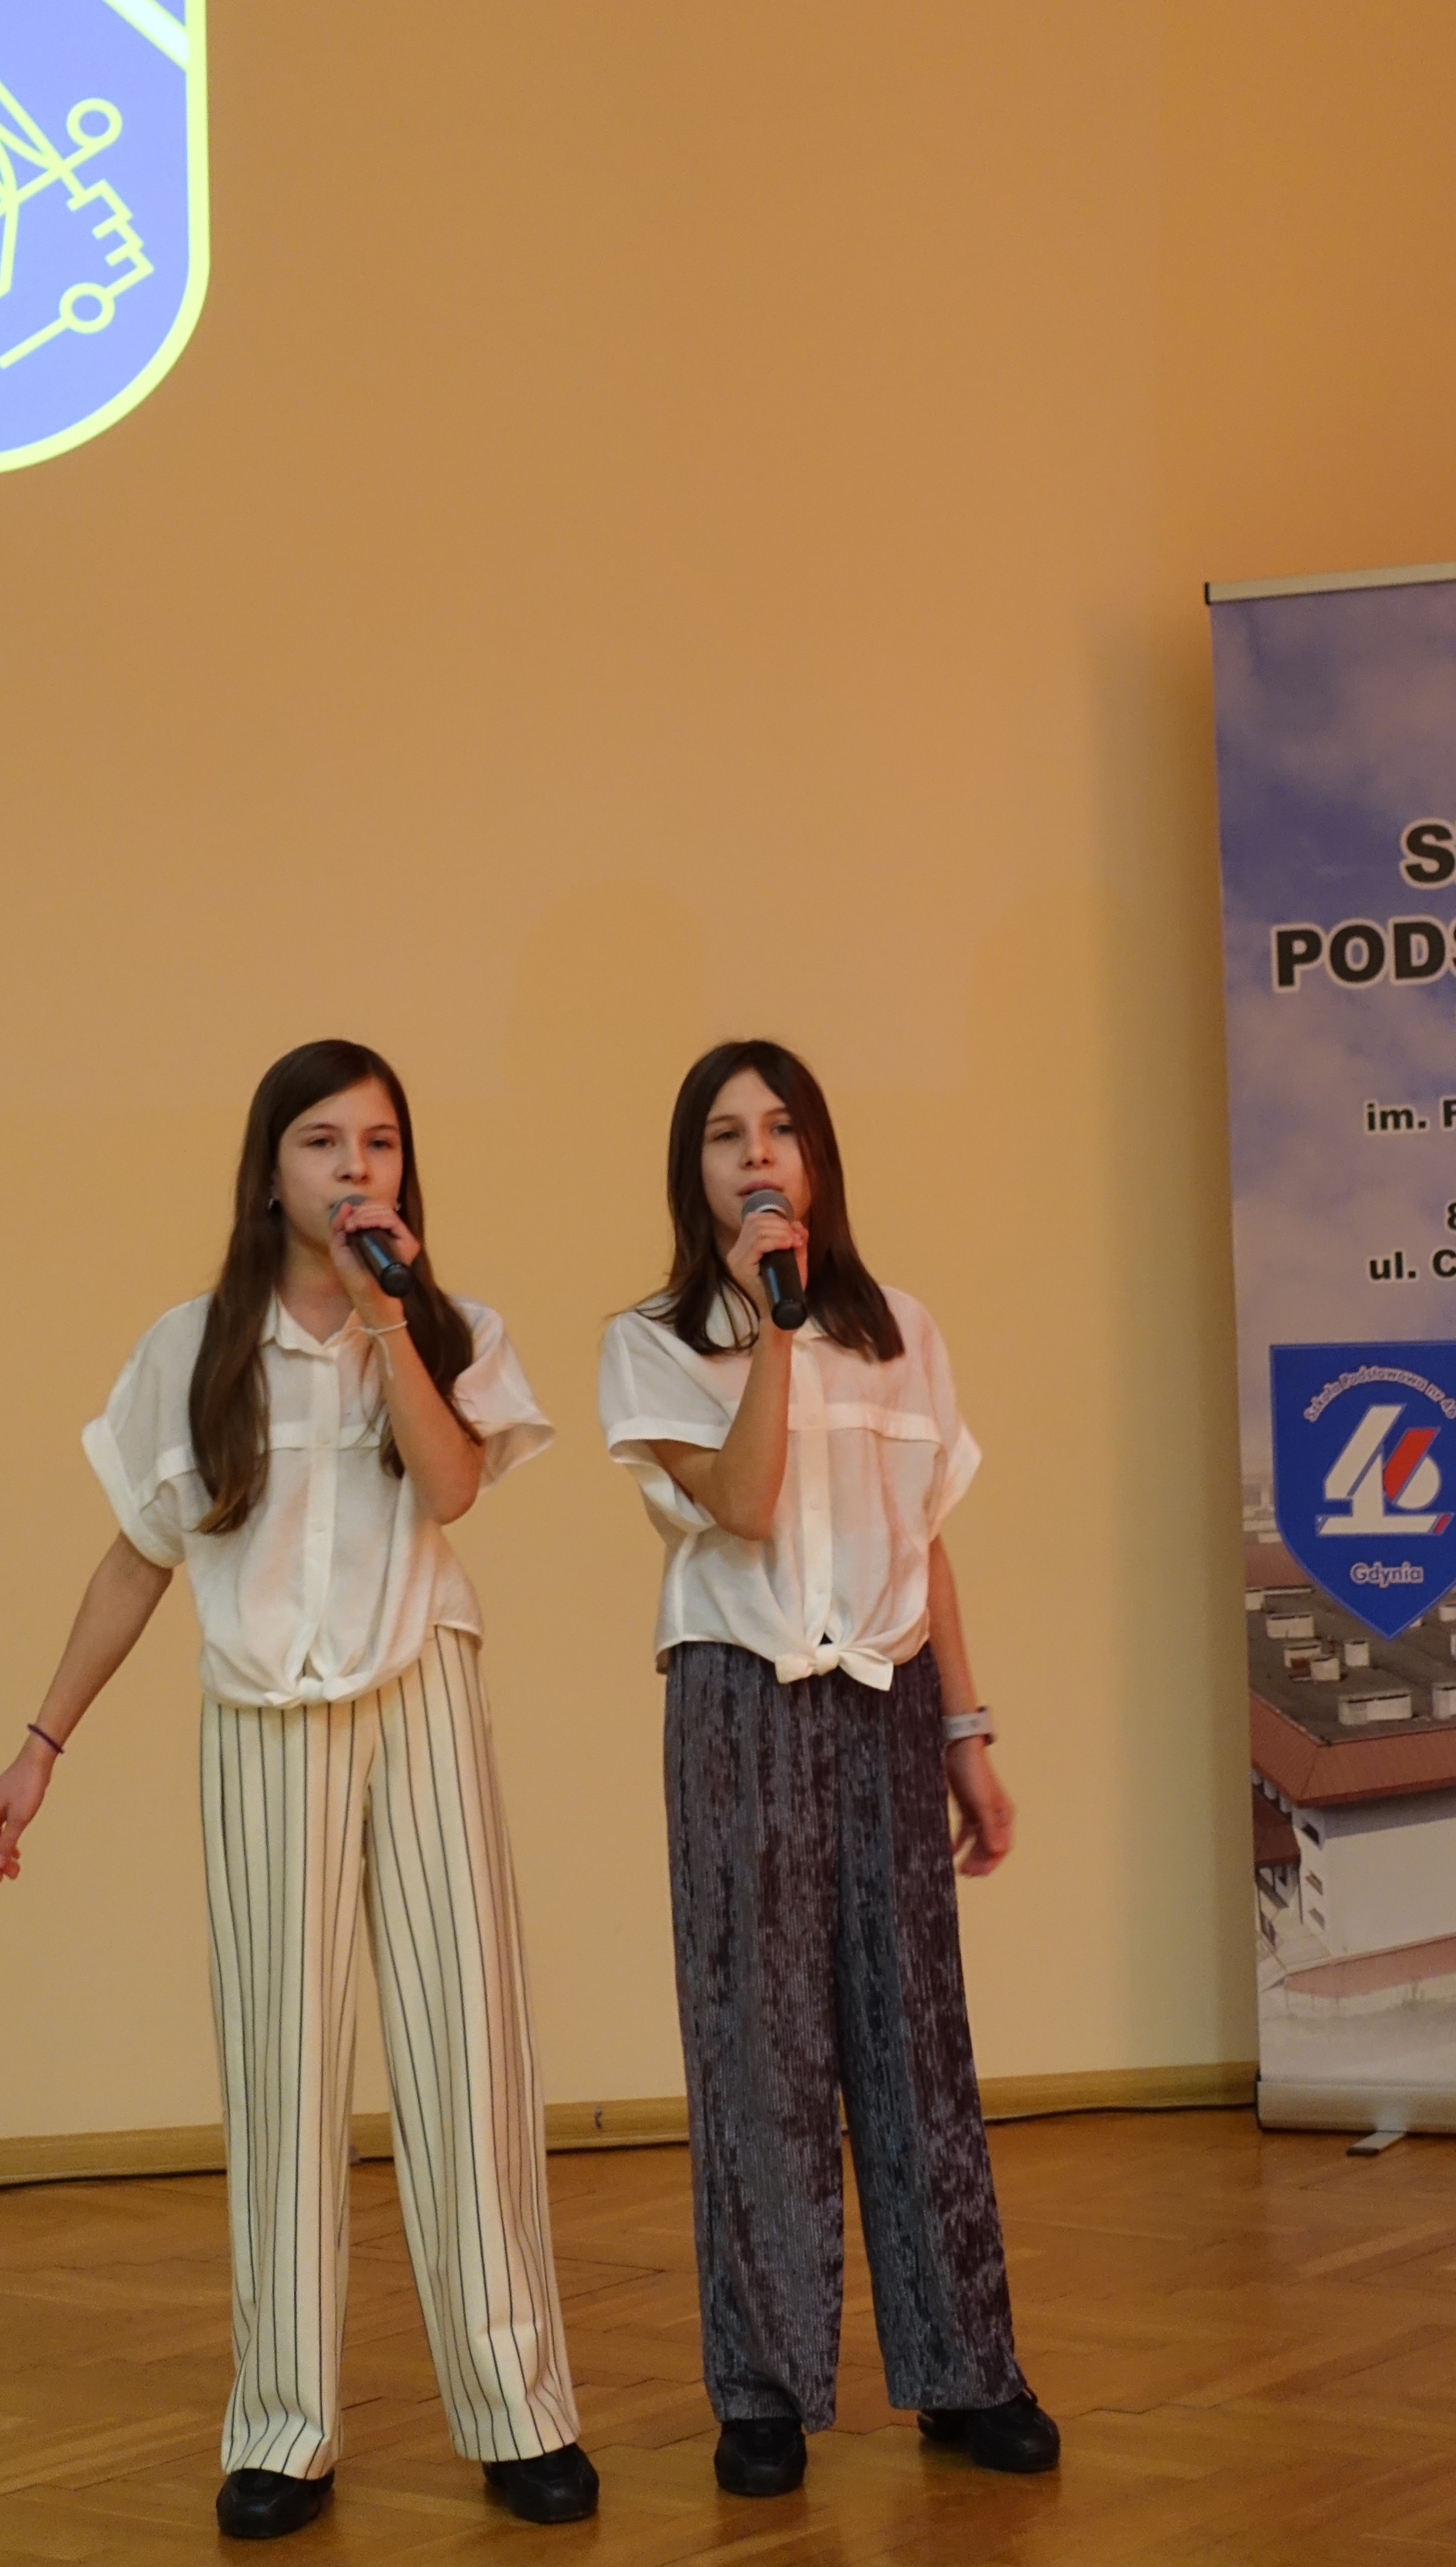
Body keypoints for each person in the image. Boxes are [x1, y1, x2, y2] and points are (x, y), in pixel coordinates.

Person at [0, 1040, 597, 2540]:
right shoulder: (193, 1347)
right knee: (281, 2065)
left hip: (422, 1689)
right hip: (261, 1719)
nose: (354, 1167)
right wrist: (39, 1745)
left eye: (378, 1142)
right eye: (323, 1142)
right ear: (271, 1172)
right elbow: (141, 1558)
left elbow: (453, 1489)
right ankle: (283, 2431)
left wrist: (389, 1320)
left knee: (467, 2053)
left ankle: (520, 2416)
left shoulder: (448, 1327)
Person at [597, 1037, 1059, 2499]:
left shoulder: (906, 1329)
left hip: (888, 1697)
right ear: (696, 1175)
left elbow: (928, 1542)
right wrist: (773, 1335)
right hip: (738, 1700)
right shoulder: (655, 1341)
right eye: (726, 1135)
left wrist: (968, 1735)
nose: (758, 1154)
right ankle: (765, 2390)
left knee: (916, 2037)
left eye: (781, 1129)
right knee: (760, 2047)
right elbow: (741, 1506)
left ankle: (967, 2371)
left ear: (818, 1158)